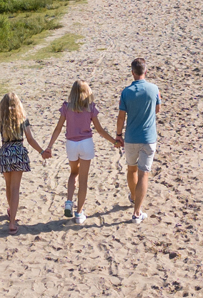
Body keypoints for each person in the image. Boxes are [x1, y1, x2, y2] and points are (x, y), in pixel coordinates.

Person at [42, 79, 117, 225]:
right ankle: (79, 212)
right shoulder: (90, 108)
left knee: (73, 173)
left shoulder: (66, 107)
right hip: (86, 144)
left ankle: (69, 202)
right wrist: (113, 141)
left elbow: (58, 128)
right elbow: (100, 130)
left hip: (71, 144)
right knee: (83, 180)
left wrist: (50, 146)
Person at [0, 91, 47, 235]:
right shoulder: (22, 118)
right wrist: (41, 152)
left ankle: (11, 211)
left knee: (8, 185)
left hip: (5, 152)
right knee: (15, 188)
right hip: (18, 152)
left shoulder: (0, 119)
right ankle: (12, 222)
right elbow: (30, 139)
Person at [113, 57, 160, 223]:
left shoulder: (126, 92)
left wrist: (118, 135)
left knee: (131, 169)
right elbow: (157, 109)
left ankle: (133, 196)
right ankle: (137, 212)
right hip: (148, 138)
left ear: (132, 72)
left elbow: (121, 117)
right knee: (143, 173)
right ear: (145, 71)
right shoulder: (154, 89)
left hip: (131, 138)